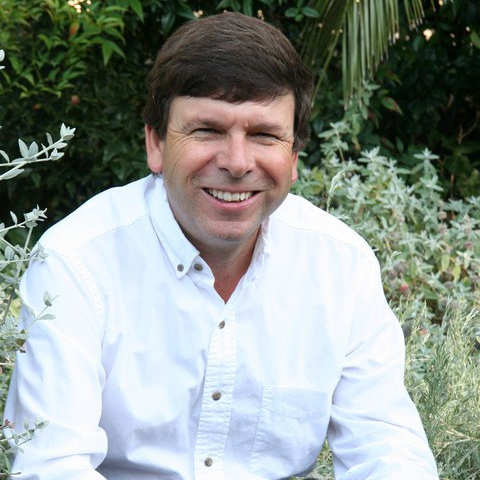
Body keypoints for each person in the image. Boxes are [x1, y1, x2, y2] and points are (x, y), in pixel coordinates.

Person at [4, 11, 438, 480]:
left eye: (264, 135)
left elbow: (388, 451)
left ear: (293, 157)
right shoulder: (76, 264)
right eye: (207, 130)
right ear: (155, 144)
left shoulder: (341, 266)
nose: (236, 162)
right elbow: (52, 466)